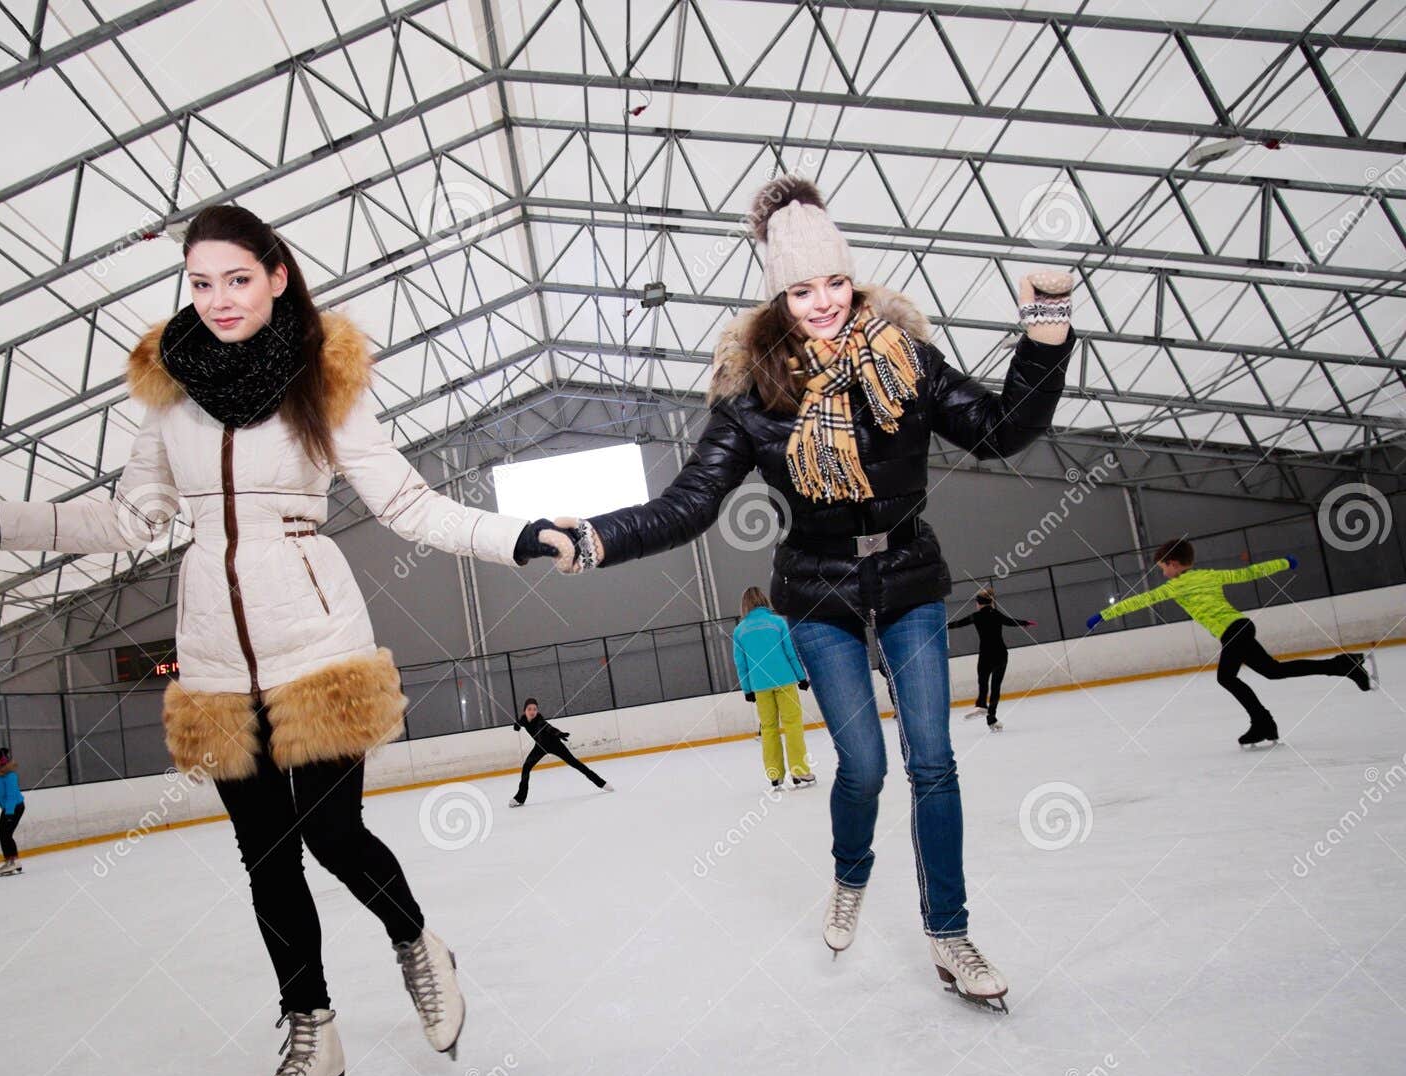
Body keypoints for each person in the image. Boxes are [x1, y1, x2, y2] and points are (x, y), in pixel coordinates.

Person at [0, 204, 576, 1076]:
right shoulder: (165, 385)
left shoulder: (324, 375)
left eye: (237, 278)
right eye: (200, 282)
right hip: (216, 654)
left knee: (332, 830)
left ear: (276, 275)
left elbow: (404, 500)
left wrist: (514, 535)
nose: (218, 299)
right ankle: (311, 1031)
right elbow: (132, 516)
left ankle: (417, 944)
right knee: (265, 853)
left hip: (315, 638)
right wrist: (5, 521)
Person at [549, 176, 1075, 1011]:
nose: (824, 301)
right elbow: (689, 504)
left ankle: (950, 933)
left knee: (933, 761)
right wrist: (599, 535)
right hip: (820, 594)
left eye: (835, 282)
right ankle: (850, 876)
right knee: (863, 766)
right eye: (802, 289)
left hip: (906, 579)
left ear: (851, 278)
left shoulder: (908, 360)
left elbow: (1002, 429)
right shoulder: (753, 398)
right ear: (778, 296)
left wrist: (1044, 333)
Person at [1089, 537, 1369, 746]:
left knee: (1227, 678)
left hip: (1234, 631)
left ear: (1173, 564)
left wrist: (1104, 614)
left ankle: (1263, 723)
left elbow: (1141, 600)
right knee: (1274, 671)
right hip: (1241, 627)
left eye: (1163, 568)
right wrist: (1284, 563)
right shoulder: (1211, 575)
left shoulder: (1174, 586)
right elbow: (1249, 573)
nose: (1163, 573)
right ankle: (1344, 665)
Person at [731, 586, 815, 787]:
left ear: (745, 605)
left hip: (760, 686)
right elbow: (790, 652)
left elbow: (740, 663)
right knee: (793, 724)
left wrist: (747, 689)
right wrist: (801, 676)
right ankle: (800, 771)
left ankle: (774, 774)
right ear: (764, 600)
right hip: (785, 679)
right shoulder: (777, 623)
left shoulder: (739, 631)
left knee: (768, 729)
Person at [948, 588, 1036, 731]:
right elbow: (1011, 621)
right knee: (995, 687)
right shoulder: (996, 614)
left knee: (983, 682)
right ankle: (991, 718)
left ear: (980, 603)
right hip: (1001, 654)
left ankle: (982, 705)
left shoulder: (976, 616)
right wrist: (1025, 622)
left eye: (976, 602)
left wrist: (941, 626)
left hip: (986, 655)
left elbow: (958, 623)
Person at [509, 697, 611, 805]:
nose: (532, 711)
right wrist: (517, 726)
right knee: (526, 768)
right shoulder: (524, 719)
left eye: (534, 709)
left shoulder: (539, 720)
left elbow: (548, 727)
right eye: (529, 709)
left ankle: (602, 783)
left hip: (555, 744)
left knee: (575, 763)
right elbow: (519, 724)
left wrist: (559, 734)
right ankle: (519, 799)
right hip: (540, 747)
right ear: (524, 710)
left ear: (537, 711)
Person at [0, 745, 26, 876]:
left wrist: (9, 814)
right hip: (7, 808)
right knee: (2, 835)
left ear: (1, 761)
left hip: (15, 807)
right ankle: (10, 860)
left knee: (6, 834)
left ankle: (13, 861)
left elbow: (12, 796)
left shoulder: (10, 776)